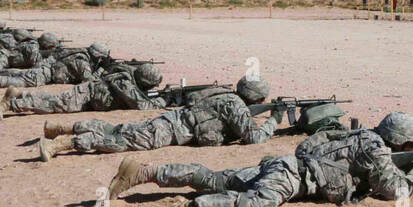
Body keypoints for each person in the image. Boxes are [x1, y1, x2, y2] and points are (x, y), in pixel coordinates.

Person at [113, 112, 413, 207]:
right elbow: (395, 191)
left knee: (214, 178)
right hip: (290, 177)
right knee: (257, 204)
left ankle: (145, 172)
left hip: (282, 164)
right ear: (402, 142)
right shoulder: (376, 149)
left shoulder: (361, 136)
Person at [36, 76, 275, 160]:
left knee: (121, 129)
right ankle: (62, 143)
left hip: (171, 122)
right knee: (122, 141)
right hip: (170, 131)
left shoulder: (225, 96)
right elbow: (254, 138)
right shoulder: (235, 106)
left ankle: (64, 127)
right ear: (256, 97)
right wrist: (274, 121)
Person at [0, 62, 164, 121]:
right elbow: (141, 105)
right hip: (86, 96)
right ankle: (8, 105)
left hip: (88, 93)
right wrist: (163, 101)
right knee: (54, 106)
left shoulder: (128, 76)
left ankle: (19, 94)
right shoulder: (126, 83)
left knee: (53, 99)